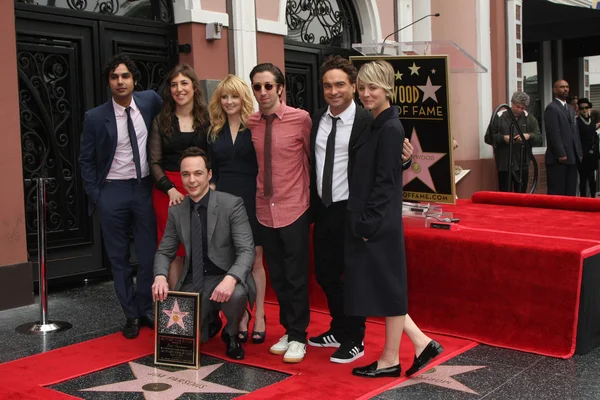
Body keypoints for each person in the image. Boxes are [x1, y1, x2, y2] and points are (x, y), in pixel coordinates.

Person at [308, 55, 418, 364]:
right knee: (326, 274)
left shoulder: (370, 119)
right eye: (328, 85)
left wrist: (404, 160)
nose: (334, 91)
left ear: (352, 87)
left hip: (353, 208)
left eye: (340, 84)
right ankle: (339, 327)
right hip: (325, 208)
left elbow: (386, 161)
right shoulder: (316, 118)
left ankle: (354, 338)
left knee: (354, 278)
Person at [347, 60, 442, 378]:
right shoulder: (376, 123)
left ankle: (403, 353)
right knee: (387, 290)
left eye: (372, 87)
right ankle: (408, 349)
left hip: (378, 222)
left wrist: (366, 225)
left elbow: (385, 184)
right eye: (361, 87)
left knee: (388, 290)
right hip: (376, 219)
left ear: (387, 88)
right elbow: (382, 170)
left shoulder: (389, 127)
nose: (365, 93)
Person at [79, 54, 161, 339]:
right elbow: (85, 160)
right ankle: (130, 315)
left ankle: (146, 307)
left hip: (143, 188)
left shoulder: (150, 101)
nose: (120, 81)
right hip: (112, 191)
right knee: (119, 257)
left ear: (133, 79)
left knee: (150, 254)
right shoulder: (95, 117)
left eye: (125, 76)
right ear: (108, 82)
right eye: (114, 77)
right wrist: (97, 195)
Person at [152, 147, 255, 360]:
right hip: (194, 280)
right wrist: (160, 276)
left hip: (225, 276)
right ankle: (210, 320)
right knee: (179, 348)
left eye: (198, 173)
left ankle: (232, 333)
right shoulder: (177, 210)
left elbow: (246, 250)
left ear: (209, 174)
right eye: (186, 174)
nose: (191, 180)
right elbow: (164, 251)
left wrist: (231, 278)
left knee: (236, 295)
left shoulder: (231, 204)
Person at [248, 63, 312, 363]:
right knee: (279, 276)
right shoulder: (252, 123)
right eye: (257, 87)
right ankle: (289, 330)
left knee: (297, 276)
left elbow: (313, 158)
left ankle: (300, 336)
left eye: (268, 86)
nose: (262, 92)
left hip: (295, 206)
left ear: (280, 88)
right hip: (264, 209)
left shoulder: (301, 120)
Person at [207, 74, 267, 344]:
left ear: (243, 98)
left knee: (254, 259)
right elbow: (214, 174)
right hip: (223, 201)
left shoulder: (255, 127)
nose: (229, 101)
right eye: (224, 96)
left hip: (252, 199)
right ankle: (241, 315)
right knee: (231, 259)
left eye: (234, 96)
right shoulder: (214, 131)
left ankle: (262, 314)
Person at [149, 64, 209, 289]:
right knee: (173, 251)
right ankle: (178, 311)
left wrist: (208, 185)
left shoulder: (207, 119)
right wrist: (170, 189)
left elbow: (213, 157)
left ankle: (203, 309)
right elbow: (154, 162)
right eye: (174, 84)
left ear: (194, 87)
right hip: (168, 192)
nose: (179, 89)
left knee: (200, 250)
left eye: (184, 83)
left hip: (200, 189)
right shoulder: (160, 120)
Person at [485, 91, 542, 193]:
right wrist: (503, 138)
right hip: (504, 163)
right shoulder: (499, 116)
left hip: (523, 163)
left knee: (521, 195)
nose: (519, 110)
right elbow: (488, 138)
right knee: (505, 195)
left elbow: (539, 139)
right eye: (517, 106)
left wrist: (528, 136)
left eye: (522, 108)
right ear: (512, 103)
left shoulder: (530, 119)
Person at [544, 80, 583, 196]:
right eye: (562, 87)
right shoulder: (552, 108)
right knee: (557, 192)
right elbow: (553, 133)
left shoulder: (570, 109)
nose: (565, 89)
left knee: (570, 192)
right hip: (558, 159)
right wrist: (561, 153)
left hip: (572, 157)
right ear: (554, 90)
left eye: (567, 87)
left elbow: (575, 133)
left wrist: (579, 153)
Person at [576, 98, 599, 197]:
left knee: (592, 179)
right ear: (579, 110)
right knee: (583, 179)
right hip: (582, 155)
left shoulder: (592, 121)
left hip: (592, 154)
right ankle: (583, 199)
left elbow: (594, 136)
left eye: (586, 108)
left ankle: (593, 199)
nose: (584, 110)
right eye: (582, 108)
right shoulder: (577, 122)